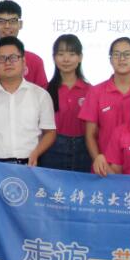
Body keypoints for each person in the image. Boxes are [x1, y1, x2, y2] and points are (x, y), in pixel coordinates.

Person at [0, 37, 56, 166]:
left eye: (13, 58)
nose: (7, 63)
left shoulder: (40, 95)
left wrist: (36, 153)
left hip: (29, 164)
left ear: (23, 61)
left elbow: (50, 132)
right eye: (2, 58)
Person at [80, 36, 130, 176]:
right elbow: (90, 135)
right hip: (104, 170)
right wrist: (99, 161)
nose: (121, 59)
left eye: (127, 54)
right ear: (110, 59)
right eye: (116, 54)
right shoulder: (96, 92)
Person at [42, 34, 92, 172]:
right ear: (54, 57)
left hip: (84, 151)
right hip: (52, 150)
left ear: (80, 57)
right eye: (61, 54)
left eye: (72, 54)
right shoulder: (45, 90)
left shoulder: (90, 91)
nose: (66, 59)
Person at [0, 0, 47, 88]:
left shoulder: (35, 61)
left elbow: (42, 94)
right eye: (1, 21)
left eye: (12, 21)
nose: (7, 26)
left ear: (20, 24)